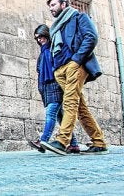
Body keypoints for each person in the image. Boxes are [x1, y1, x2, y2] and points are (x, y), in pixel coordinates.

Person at [40, 0, 108, 156]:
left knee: (69, 102)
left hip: (75, 65)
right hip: (60, 70)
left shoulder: (78, 17)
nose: (51, 8)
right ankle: (99, 141)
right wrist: (56, 69)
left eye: (53, 5)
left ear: (64, 4)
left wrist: (76, 60)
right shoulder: (56, 26)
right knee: (80, 107)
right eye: (49, 6)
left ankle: (62, 141)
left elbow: (91, 37)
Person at [28, 24, 79, 154]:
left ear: (46, 34)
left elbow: (58, 67)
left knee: (51, 114)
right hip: (47, 88)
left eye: (41, 36)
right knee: (60, 117)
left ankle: (43, 141)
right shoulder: (43, 52)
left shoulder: (53, 49)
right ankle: (74, 145)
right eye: (37, 38)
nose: (39, 39)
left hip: (55, 85)